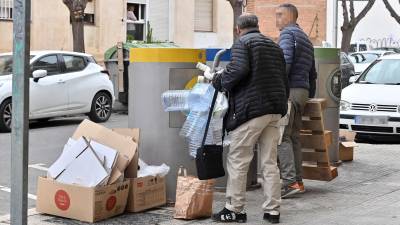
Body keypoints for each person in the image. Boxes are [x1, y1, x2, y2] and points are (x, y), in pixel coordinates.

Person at [207, 13, 289, 224]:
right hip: (274, 109)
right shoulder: (273, 45)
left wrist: (219, 80)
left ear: (238, 29)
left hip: (253, 111)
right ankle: (273, 211)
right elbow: (283, 76)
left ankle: (234, 209)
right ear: (257, 26)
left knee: (238, 160)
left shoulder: (243, 42)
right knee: (269, 163)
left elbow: (239, 70)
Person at [275, 3, 317, 198]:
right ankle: (298, 181)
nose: (277, 19)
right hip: (302, 92)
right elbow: (313, 73)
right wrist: (309, 95)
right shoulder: (305, 38)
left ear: (290, 16)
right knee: (294, 138)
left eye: (279, 15)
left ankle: (290, 182)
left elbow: (285, 62)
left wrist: (278, 88)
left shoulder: (287, 34)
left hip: (289, 90)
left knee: (282, 136)